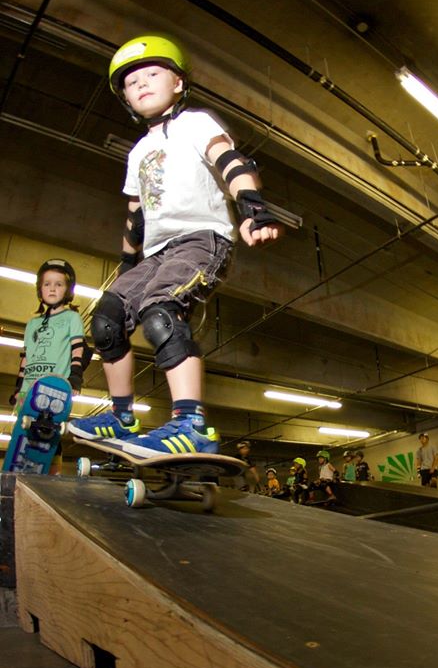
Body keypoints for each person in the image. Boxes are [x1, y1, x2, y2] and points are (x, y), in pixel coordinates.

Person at [69, 34, 282, 455]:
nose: (141, 84)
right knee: (107, 318)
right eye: (132, 83)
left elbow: (230, 162)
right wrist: (126, 265)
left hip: (202, 238)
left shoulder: (196, 123)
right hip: (155, 252)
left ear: (178, 83)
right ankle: (121, 417)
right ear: (126, 99)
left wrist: (252, 208)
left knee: (160, 312)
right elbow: (136, 215)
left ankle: (191, 424)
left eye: (152, 74)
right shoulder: (138, 151)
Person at [10, 259, 86, 475]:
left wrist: (75, 377)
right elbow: (26, 356)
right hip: (28, 390)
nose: (52, 289)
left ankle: (52, 478)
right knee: (21, 435)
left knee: (48, 435)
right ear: (40, 289)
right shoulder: (32, 324)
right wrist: (18, 387)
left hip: (53, 388)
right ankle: (19, 478)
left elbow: (78, 348)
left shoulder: (72, 317)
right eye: (47, 284)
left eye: (59, 284)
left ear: (67, 290)